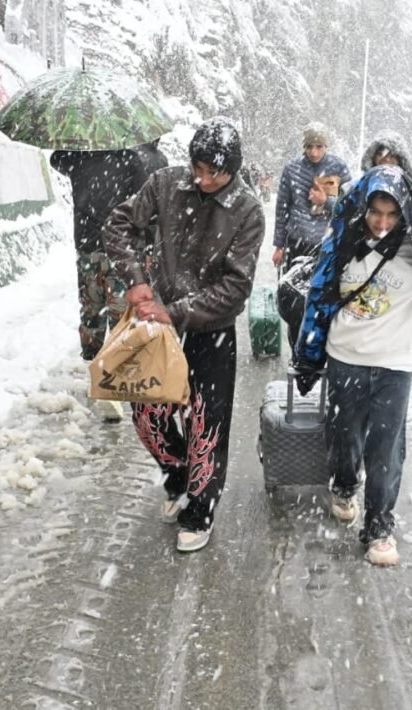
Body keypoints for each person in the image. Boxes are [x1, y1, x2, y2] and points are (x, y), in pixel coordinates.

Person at [101, 117, 264, 553]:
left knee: (206, 423)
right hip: (157, 328)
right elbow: (119, 225)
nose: (204, 178)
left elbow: (234, 289)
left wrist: (175, 312)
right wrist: (135, 279)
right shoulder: (166, 184)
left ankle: (200, 508)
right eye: (198, 167)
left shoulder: (246, 211)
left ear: (232, 170)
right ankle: (177, 478)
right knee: (146, 412)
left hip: (210, 329)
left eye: (215, 172)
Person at [292, 165, 412, 567]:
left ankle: (380, 527)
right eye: (376, 213)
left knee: (386, 448)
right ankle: (344, 484)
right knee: (344, 436)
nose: (383, 223)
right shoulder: (343, 241)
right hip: (346, 357)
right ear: (363, 208)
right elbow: (319, 296)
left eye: (392, 214)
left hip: (394, 365)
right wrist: (309, 352)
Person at [50, 141, 167, 363]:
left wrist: (76, 143)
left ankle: (91, 359)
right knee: (120, 311)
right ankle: (118, 363)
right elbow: (145, 206)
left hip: (88, 245)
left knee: (90, 307)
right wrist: (149, 245)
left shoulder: (78, 158)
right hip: (121, 247)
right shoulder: (129, 159)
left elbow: (56, 158)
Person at [272, 122, 351, 271]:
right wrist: (279, 246)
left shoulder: (339, 167)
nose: (314, 152)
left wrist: (326, 201)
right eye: (309, 147)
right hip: (296, 243)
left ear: (326, 146)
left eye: (319, 146)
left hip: (327, 244)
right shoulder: (291, 169)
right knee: (291, 290)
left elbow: (350, 206)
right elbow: (281, 209)